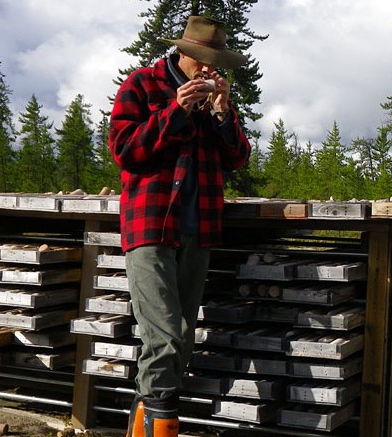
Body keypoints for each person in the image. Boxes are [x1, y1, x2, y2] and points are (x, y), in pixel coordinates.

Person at [109, 15, 251, 437]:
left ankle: (144, 423)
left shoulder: (216, 99)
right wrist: (176, 109)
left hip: (199, 227)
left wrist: (224, 116)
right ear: (183, 52)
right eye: (204, 61)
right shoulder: (142, 84)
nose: (211, 70)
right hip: (151, 224)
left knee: (183, 338)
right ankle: (161, 425)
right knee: (164, 336)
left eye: (217, 63)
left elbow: (238, 159)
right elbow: (125, 151)